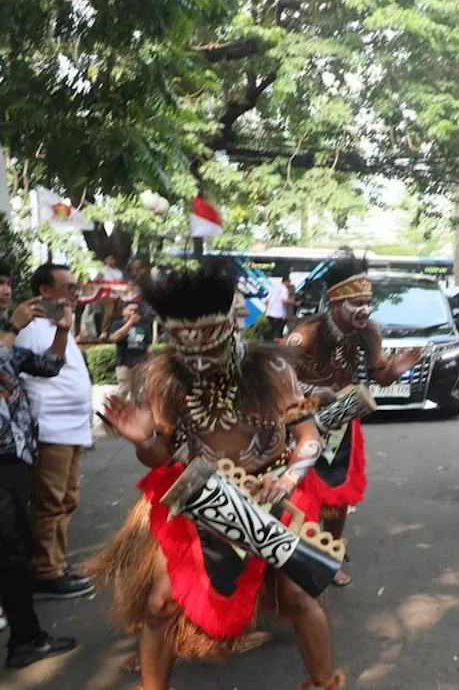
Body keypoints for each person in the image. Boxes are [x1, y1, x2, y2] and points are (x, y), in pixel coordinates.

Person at [90, 259, 343, 690]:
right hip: (199, 496)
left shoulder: (273, 371)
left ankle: (325, 684)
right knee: (160, 604)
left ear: (230, 331)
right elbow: (160, 460)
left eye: (209, 351)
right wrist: (143, 440)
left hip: (269, 494)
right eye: (189, 353)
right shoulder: (166, 377)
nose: (200, 363)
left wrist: (284, 480)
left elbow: (309, 439)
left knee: (297, 596)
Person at [284, 253, 423, 586]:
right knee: (301, 491)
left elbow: (381, 376)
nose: (365, 310)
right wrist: (314, 391)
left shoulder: (369, 332)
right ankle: (297, 559)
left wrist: (395, 370)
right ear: (336, 302)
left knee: (337, 492)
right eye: (357, 303)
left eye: (368, 302)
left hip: (342, 419)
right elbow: (276, 375)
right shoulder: (306, 333)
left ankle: (330, 559)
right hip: (300, 417)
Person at [0, 267, 78, 668]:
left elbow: (48, 366)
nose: (5, 290)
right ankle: (26, 640)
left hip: (14, 456)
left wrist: (63, 330)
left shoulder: (10, 343)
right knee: (12, 550)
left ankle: (26, 637)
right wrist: (10, 327)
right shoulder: (7, 336)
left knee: (13, 546)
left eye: (6, 282)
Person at [15, 263, 94, 600]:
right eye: (68, 287)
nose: (75, 294)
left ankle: (55, 564)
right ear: (45, 292)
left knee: (67, 500)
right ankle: (45, 571)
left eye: (76, 287)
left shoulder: (60, 324)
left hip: (73, 429)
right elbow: (41, 372)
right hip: (52, 429)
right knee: (50, 502)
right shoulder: (32, 328)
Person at [108, 302, 153, 401]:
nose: (133, 312)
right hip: (124, 363)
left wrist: (150, 363)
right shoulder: (118, 324)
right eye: (130, 310)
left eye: (136, 310)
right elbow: (116, 337)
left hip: (140, 364)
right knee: (124, 390)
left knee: (139, 394)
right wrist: (130, 323)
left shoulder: (144, 326)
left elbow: (148, 347)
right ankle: (115, 413)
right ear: (123, 311)